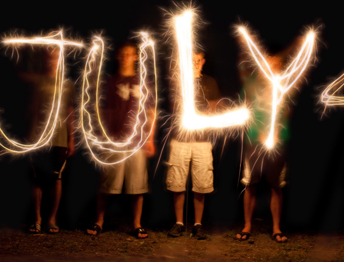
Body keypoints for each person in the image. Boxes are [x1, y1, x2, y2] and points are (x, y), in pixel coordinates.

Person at [86, 41, 156, 239]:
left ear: (136, 57)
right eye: (123, 53)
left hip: (137, 141)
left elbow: (151, 112)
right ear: (118, 56)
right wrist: (102, 135)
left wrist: (150, 139)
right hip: (114, 140)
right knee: (107, 184)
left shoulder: (144, 82)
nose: (126, 57)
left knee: (137, 185)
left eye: (130, 54)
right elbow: (101, 110)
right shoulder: (110, 82)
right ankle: (99, 221)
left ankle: (137, 224)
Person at [166, 51, 221, 240]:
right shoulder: (179, 82)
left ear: (203, 61)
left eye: (198, 60)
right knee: (178, 182)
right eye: (191, 61)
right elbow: (175, 107)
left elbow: (213, 111)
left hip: (202, 140)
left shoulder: (210, 82)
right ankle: (179, 223)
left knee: (201, 184)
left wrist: (204, 116)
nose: (195, 64)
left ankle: (198, 224)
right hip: (181, 139)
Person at [236, 55, 290, 243]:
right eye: (268, 63)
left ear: (280, 67)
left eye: (275, 64)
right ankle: (247, 225)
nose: (271, 67)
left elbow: (287, 112)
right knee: (251, 183)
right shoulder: (252, 84)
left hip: (278, 142)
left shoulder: (283, 87)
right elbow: (246, 110)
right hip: (254, 140)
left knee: (276, 185)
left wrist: (276, 131)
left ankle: (276, 227)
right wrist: (259, 132)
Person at [27, 48, 76, 234]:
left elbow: (70, 112)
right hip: (40, 138)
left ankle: (52, 219)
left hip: (59, 138)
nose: (53, 60)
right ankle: (37, 219)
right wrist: (31, 137)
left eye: (56, 56)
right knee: (37, 178)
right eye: (49, 56)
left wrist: (72, 139)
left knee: (57, 178)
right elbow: (34, 109)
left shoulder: (68, 84)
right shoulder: (39, 82)